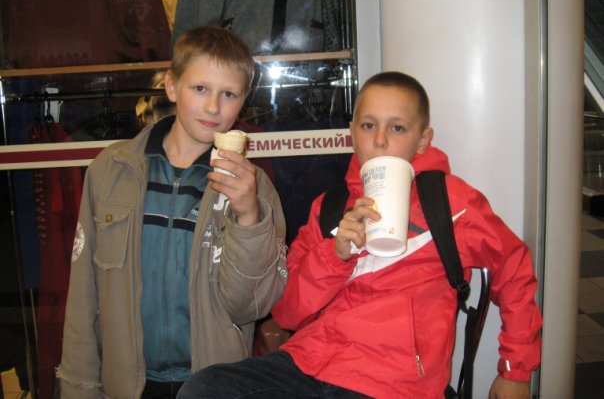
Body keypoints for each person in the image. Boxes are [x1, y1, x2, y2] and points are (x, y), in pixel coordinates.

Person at [177, 71, 542, 399]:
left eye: (397, 128)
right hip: (308, 365)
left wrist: (515, 371)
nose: (379, 141)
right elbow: (286, 314)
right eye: (368, 126)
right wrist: (334, 254)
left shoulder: (450, 202)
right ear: (352, 132)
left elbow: (514, 270)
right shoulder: (329, 206)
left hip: (395, 382)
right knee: (203, 389)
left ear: (422, 140)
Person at [56, 26, 288, 399]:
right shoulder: (110, 171)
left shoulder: (253, 188)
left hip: (211, 386)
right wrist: (78, 387)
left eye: (228, 94)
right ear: (171, 86)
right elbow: (84, 295)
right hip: (127, 386)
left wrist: (248, 218)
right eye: (200, 88)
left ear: (243, 101)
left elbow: (250, 307)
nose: (213, 107)